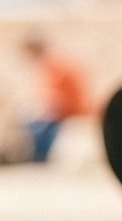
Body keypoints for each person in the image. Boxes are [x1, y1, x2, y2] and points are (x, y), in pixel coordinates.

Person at [21, 33, 91, 164]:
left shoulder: (53, 62)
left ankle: (40, 157)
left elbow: (54, 97)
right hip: (68, 108)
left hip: (71, 109)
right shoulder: (55, 59)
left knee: (36, 122)